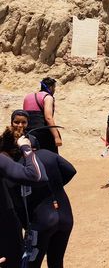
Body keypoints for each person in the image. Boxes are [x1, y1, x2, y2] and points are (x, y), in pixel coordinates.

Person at [3, 110, 75, 268]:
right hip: (66, 216)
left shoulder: (20, 168)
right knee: (56, 262)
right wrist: (54, 186)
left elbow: (16, 203)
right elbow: (71, 170)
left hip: (42, 221)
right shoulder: (49, 155)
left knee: (30, 264)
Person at [0, 111, 47, 268]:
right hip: (10, 189)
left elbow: (38, 161)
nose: (19, 125)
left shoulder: (32, 140)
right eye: (16, 122)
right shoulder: (6, 139)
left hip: (26, 189)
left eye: (23, 122)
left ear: (28, 124)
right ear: (11, 122)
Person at [23, 77, 62, 153]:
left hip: (28, 133)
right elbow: (48, 118)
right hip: (42, 133)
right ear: (51, 87)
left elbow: (24, 116)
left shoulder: (27, 97)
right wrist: (56, 137)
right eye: (54, 88)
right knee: (51, 158)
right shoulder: (47, 97)